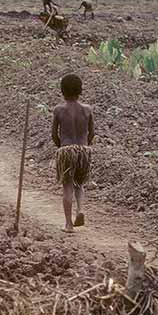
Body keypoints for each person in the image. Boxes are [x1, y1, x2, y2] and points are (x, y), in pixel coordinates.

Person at [52, 73, 95, 231]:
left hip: (66, 149)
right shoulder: (87, 110)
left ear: (62, 90)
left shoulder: (59, 110)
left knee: (67, 186)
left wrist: (61, 148)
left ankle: (68, 224)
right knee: (80, 183)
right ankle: (81, 209)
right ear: (80, 90)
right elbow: (91, 133)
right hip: (84, 150)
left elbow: (54, 134)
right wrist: (85, 146)